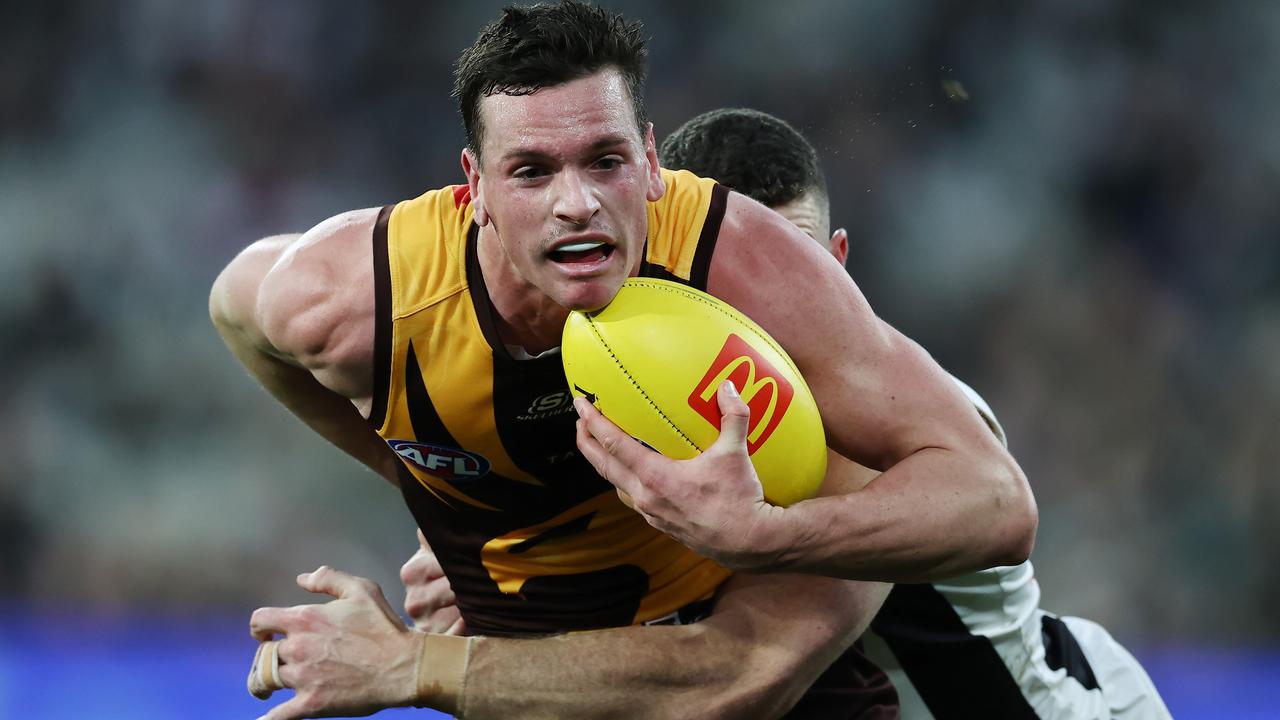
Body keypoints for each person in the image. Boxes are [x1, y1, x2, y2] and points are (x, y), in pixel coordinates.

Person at [211, 2, 1035, 718]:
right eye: (531, 172)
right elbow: (236, 311)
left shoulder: (749, 275)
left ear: (649, 161)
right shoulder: (356, 300)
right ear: (473, 187)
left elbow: (996, 503)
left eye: (604, 160)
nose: (577, 203)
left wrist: (767, 532)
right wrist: (438, 491)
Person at [400, 107, 1170, 719]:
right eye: (732, 284)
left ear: (834, 266)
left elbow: (734, 678)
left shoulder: (899, 438)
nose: (760, 317)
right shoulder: (635, 402)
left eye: (794, 265)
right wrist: (493, 571)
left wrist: (430, 662)